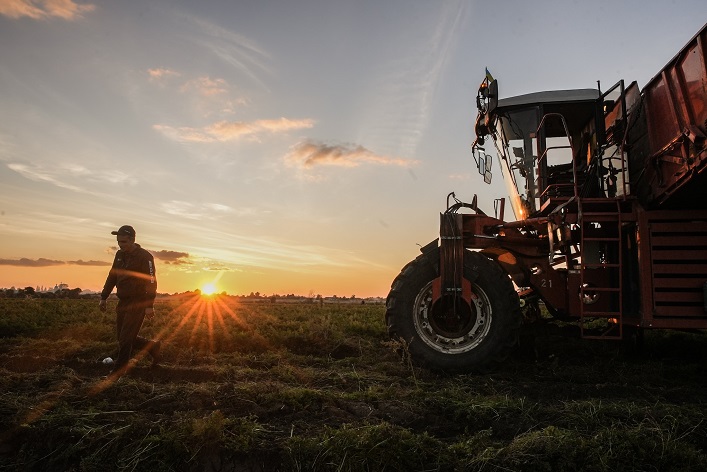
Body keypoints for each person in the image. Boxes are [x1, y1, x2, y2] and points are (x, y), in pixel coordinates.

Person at [99, 225, 161, 377]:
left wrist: (149, 305)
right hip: (123, 301)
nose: (121, 245)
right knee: (122, 337)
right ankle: (152, 347)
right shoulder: (120, 255)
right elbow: (112, 276)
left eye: (124, 242)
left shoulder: (145, 257)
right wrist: (103, 296)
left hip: (138, 301)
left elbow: (152, 281)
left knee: (126, 340)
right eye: (119, 242)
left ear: (132, 239)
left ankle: (119, 372)